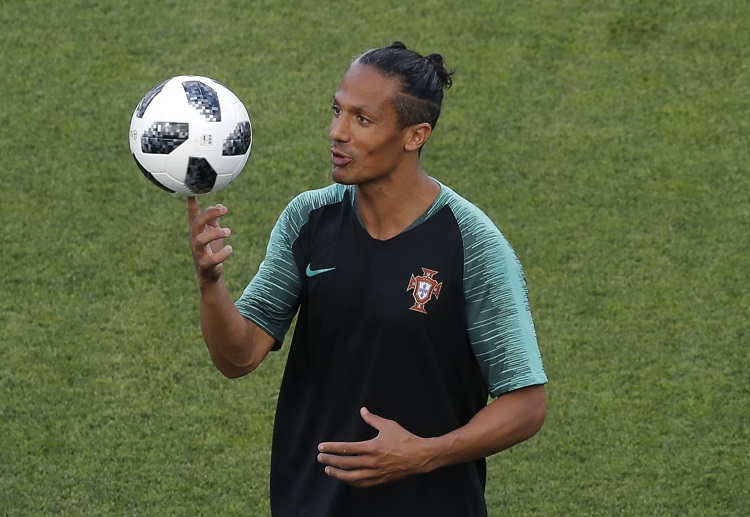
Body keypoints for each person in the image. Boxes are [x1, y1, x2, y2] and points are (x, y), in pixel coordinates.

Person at [188, 41, 548, 517]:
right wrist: (210, 282)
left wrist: (422, 455)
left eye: (362, 119)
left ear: (415, 136)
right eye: (337, 110)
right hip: (310, 505)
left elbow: (526, 404)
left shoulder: (471, 243)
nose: (337, 132)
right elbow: (238, 357)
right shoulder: (309, 220)